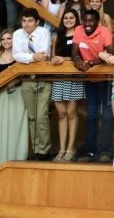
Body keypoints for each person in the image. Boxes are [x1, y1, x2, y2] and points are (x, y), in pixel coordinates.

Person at [72, 9, 114, 163]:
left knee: (107, 115)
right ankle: (90, 149)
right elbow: (74, 52)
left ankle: (105, 150)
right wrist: (78, 62)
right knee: (91, 114)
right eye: (85, 21)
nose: (87, 24)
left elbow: (110, 53)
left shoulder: (104, 31)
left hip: (106, 79)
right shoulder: (78, 30)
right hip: (90, 79)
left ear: (97, 22)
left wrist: (90, 63)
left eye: (90, 21)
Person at [12, 8, 52, 161]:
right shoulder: (17, 34)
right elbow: (16, 56)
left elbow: (44, 55)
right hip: (27, 79)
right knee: (32, 117)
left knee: (42, 116)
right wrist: (33, 56)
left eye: (29, 21)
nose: (26, 24)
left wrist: (28, 57)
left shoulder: (44, 32)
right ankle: (36, 149)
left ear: (37, 21)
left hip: (43, 78)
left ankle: (44, 150)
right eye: (24, 20)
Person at [50, 9, 85, 162]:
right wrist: (54, 59)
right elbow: (52, 56)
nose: (68, 20)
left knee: (71, 113)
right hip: (58, 77)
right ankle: (61, 149)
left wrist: (65, 59)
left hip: (74, 77)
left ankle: (71, 148)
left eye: (71, 18)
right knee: (61, 114)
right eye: (66, 18)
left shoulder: (80, 36)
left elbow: (82, 56)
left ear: (76, 20)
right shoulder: (56, 36)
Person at [0, 29, 28, 168]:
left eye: (9, 38)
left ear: (14, 40)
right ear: (0, 41)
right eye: (3, 39)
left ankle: (18, 161)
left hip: (19, 94)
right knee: (3, 128)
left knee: (18, 127)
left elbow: (28, 74)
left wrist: (16, 81)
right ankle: (0, 164)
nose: (6, 41)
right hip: (2, 96)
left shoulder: (20, 55)